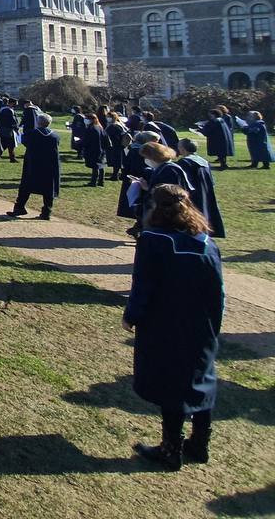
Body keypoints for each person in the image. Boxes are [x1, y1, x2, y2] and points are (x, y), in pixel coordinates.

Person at [123, 184, 224, 471]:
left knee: (172, 384)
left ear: (155, 208)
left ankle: (171, 449)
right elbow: (218, 291)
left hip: (165, 321)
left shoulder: (153, 241)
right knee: (201, 378)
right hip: (200, 322)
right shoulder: (206, 241)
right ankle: (200, 442)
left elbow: (143, 285)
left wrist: (132, 315)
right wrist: (214, 324)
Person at [10, 114, 61, 220]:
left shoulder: (32, 133)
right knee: (48, 188)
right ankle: (47, 212)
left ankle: (19, 207)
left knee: (26, 185)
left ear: (38, 122)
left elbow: (24, 141)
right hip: (50, 165)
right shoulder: (55, 136)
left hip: (34, 163)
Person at [177, 139, 226, 238]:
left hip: (193, 194)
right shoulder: (203, 161)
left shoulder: (184, 162)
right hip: (205, 191)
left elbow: (183, 182)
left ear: (183, 149)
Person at [79, 113, 110, 187]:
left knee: (95, 167)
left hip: (93, 149)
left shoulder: (91, 128)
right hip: (101, 149)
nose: (85, 120)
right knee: (101, 166)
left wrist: (81, 144)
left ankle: (93, 182)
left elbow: (87, 141)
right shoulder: (100, 127)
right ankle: (101, 181)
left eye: (87, 119)